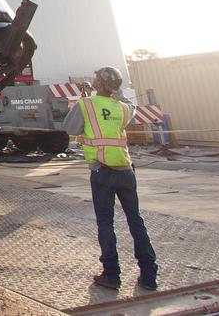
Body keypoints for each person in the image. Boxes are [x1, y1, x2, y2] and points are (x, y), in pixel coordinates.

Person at [64, 65, 159, 292]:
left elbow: (69, 128)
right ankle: (149, 275)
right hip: (126, 170)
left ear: (98, 84)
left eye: (95, 78)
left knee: (106, 223)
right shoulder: (123, 108)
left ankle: (111, 274)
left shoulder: (86, 105)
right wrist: (117, 94)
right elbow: (131, 108)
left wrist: (84, 102)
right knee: (136, 220)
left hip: (102, 171)